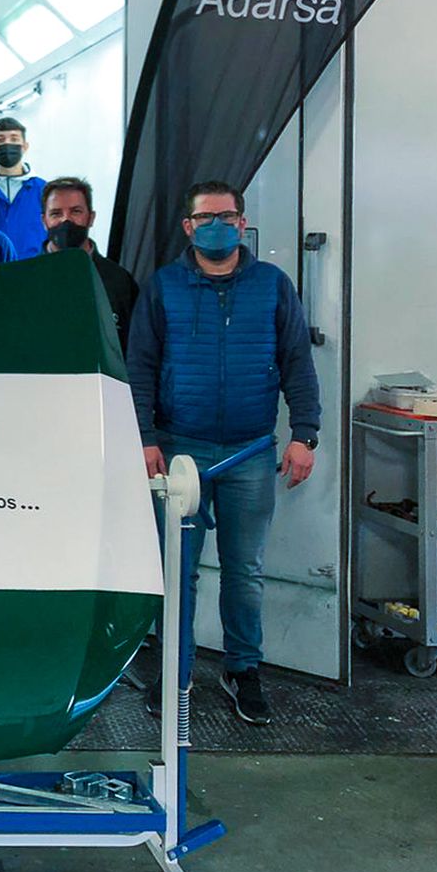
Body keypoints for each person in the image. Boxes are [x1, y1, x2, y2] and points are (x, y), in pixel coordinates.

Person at [127, 180, 321, 726]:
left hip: (250, 452)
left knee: (245, 571)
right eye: (205, 218)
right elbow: (139, 367)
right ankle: (177, 673)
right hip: (180, 451)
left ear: (242, 222)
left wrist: (305, 435)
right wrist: (144, 438)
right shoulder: (164, 287)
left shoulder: (274, 286)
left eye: (227, 216)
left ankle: (243, 669)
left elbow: (297, 365)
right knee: (177, 571)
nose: (217, 225)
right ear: (188, 226)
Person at [40, 176, 138, 351]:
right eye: (56, 213)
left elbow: (134, 348)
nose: (66, 220)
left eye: (75, 211)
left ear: (91, 218)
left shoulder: (119, 281)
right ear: (44, 221)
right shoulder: (25, 279)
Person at [0, 116, 49, 258]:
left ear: (25, 146)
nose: (7, 144)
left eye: (14, 139)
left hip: (35, 270)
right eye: (0, 140)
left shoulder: (44, 190)